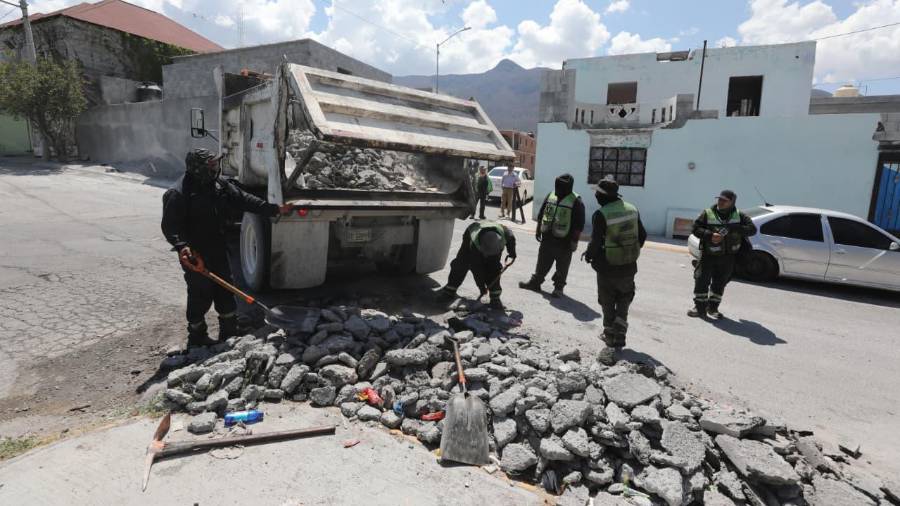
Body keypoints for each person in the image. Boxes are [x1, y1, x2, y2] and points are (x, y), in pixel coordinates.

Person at [161, 149, 287, 348]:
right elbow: (170, 226)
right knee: (199, 293)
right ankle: (197, 336)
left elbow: (244, 199)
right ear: (197, 168)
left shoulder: (219, 185)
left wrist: (272, 209)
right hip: (196, 254)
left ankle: (228, 330)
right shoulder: (178, 193)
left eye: (215, 164)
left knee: (226, 289)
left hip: (218, 246)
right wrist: (182, 247)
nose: (215, 168)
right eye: (210, 165)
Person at [583, 176, 646, 366]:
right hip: (629, 265)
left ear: (604, 196)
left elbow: (595, 242)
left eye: (598, 193)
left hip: (607, 266)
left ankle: (610, 336)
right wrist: (629, 250)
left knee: (607, 300)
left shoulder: (602, 214)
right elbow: (642, 236)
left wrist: (589, 255)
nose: (595, 196)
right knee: (624, 298)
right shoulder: (632, 209)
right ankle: (620, 334)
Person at [689, 189, 757, 320]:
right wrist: (709, 235)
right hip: (708, 255)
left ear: (732, 202)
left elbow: (752, 229)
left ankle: (712, 308)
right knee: (701, 280)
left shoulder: (740, 216)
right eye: (719, 199)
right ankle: (699, 307)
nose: (720, 202)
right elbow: (695, 229)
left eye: (724, 200)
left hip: (728, 257)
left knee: (720, 283)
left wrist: (735, 228)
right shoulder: (707, 213)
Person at [519, 173, 585, 297]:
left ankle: (558, 288)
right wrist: (538, 229)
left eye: (560, 187)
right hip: (547, 237)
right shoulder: (551, 195)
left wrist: (574, 241)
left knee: (562, 266)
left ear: (568, 188)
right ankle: (535, 283)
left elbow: (578, 225)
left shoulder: (576, 201)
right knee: (542, 261)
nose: (557, 189)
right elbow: (542, 212)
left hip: (564, 241)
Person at [437, 220, 517, 309]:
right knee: (461, 263)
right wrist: (482, 288)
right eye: (486, 254)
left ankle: (495, 298)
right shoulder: (475, 244)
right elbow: (476, 269)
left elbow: (511, 239)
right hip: (471, 233)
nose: (487, 255)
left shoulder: (506, 235)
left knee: (494, 268)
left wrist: (512, 253)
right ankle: (449, 291)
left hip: (493, 243)